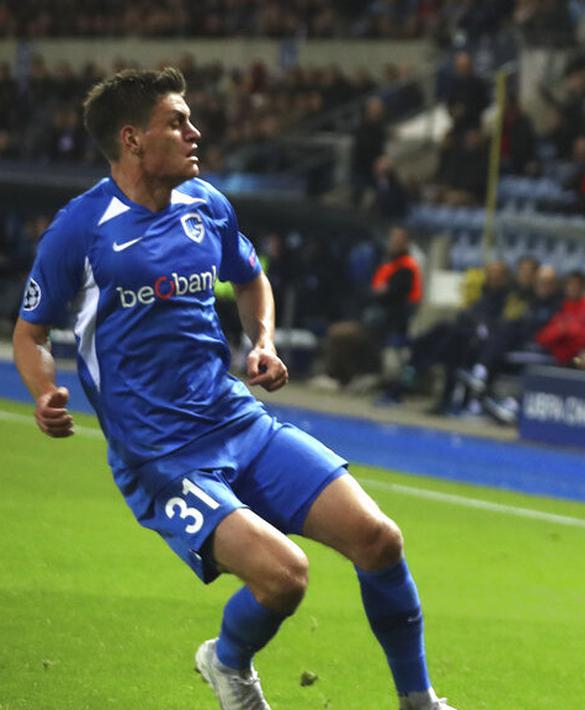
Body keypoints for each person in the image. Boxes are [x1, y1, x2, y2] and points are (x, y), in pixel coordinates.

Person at [12, 68, 457, 710]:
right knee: (285, 577)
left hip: (236, 420)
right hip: (161, 455)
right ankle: (226, 662)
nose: (195, 132)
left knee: (379, 539)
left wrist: (263, 341)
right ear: (132, 139)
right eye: (177, 123)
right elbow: (30, 333)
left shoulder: (206, 205)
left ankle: (419, 701)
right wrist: (43, 391)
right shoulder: (80, 229)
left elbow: (250, 279)